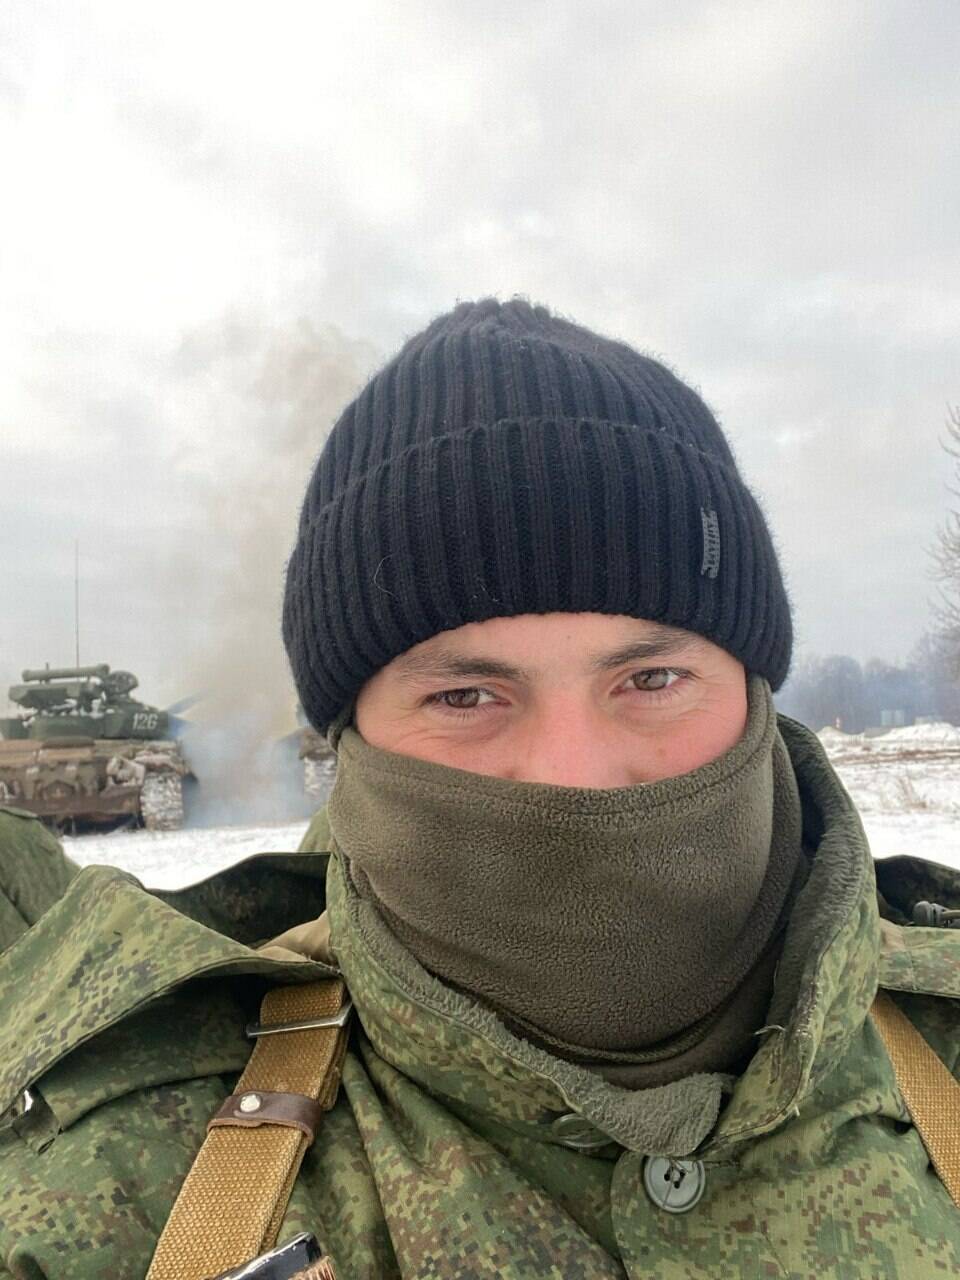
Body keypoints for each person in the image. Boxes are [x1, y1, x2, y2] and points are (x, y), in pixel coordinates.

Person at [1, 299, 958, 1278]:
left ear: (754, 691)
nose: (573, 776)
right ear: (351, 740)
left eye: (653, 678)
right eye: (465, 695)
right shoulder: (115, 1186)